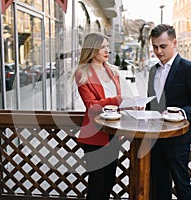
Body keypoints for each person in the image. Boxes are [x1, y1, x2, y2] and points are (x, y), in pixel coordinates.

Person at [146, 24, 191, 200]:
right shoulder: (153, 70)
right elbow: (152, 104)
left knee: (181, 183)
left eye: (163, 46)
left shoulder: (189, 68)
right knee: (159, 182)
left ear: (174, 43)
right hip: (154, 137)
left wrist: (181, 112)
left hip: (178, 137)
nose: (158, 51)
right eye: (155, 47)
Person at [70, 32, 123, 200]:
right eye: (102, 47)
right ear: (92, 49)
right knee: (97, 183)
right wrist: (117, 100)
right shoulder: (82, 74)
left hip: (113, 134)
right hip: (94, 136)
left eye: (107, 46)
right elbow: (92, 106)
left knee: (109, 181)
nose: (107, 50)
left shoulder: (113, 72)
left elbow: (118, 105)